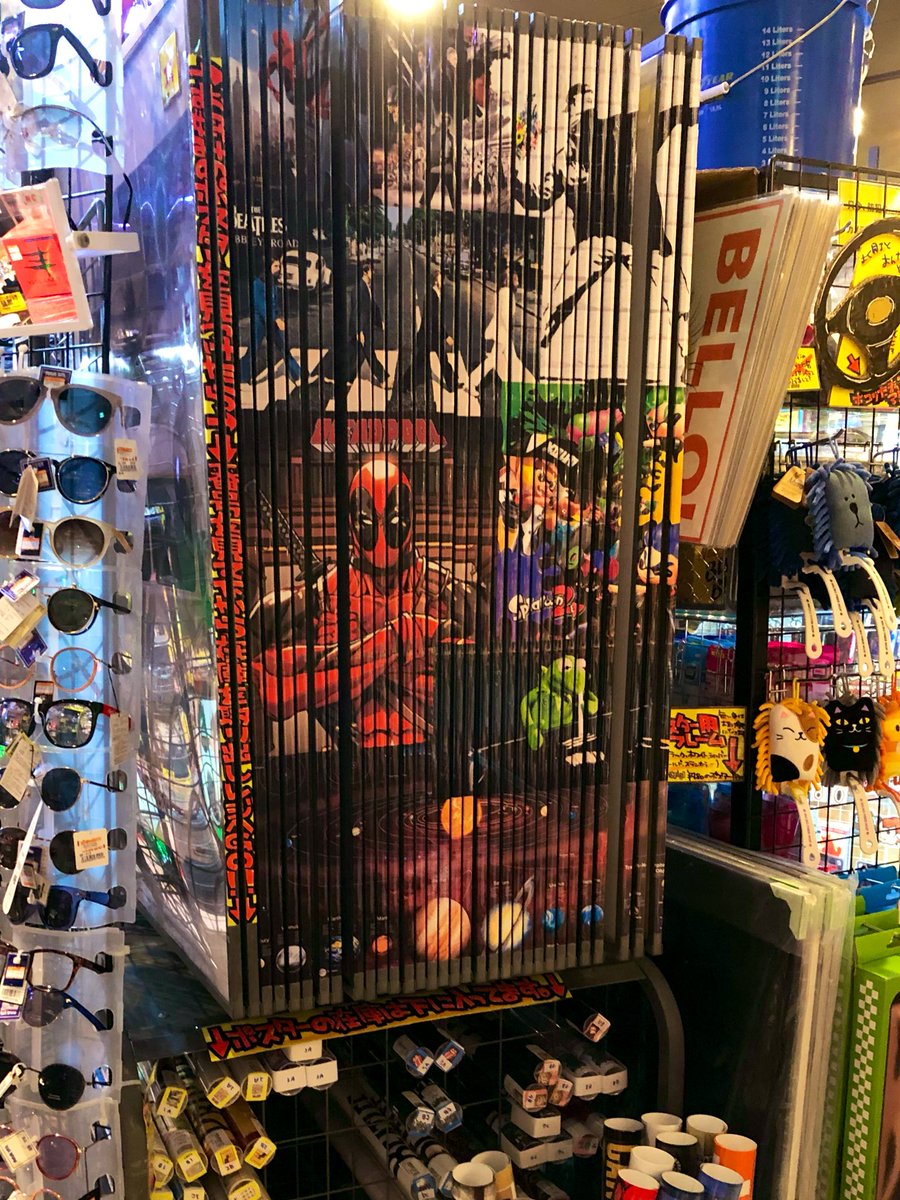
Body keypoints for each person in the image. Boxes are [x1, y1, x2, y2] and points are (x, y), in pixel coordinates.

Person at [252, 456, 477, 748]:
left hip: (428, 742)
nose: (382, 533)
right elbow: (271, 683)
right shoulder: (325, 594)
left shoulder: (440, 588)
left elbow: (477, 666)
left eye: (394, 520)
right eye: (369, 521)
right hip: (354, 752)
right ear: (353, 524)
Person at [239, 256, 300, 385]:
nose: (279, 269)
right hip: (260, 322)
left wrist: (278, 315)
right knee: (252, 350)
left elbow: (273, 303)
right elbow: (262, 306)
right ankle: (243, 378)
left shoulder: (272, 283)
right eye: (276, 266)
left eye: (279, 266)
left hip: (271, 321)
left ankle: (297, 375)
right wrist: (276, 319)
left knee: (283, 347)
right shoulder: (257, 284)